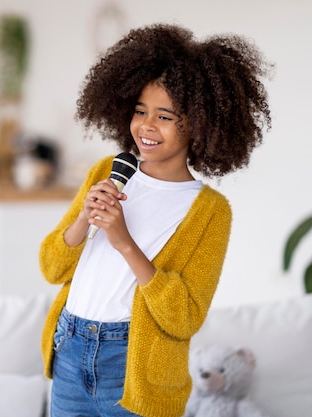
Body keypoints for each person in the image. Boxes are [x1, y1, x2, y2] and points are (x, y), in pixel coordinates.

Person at [40, 23, 271, 417]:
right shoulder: (106, 170)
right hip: (70, 350)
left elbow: (184, 318)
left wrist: (124, 241)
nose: (146, 126)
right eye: (140, 110)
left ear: (198, 123)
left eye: (165, 116)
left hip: (133, 366)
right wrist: (84, 219)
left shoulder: (210, 210)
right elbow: (51, 266)